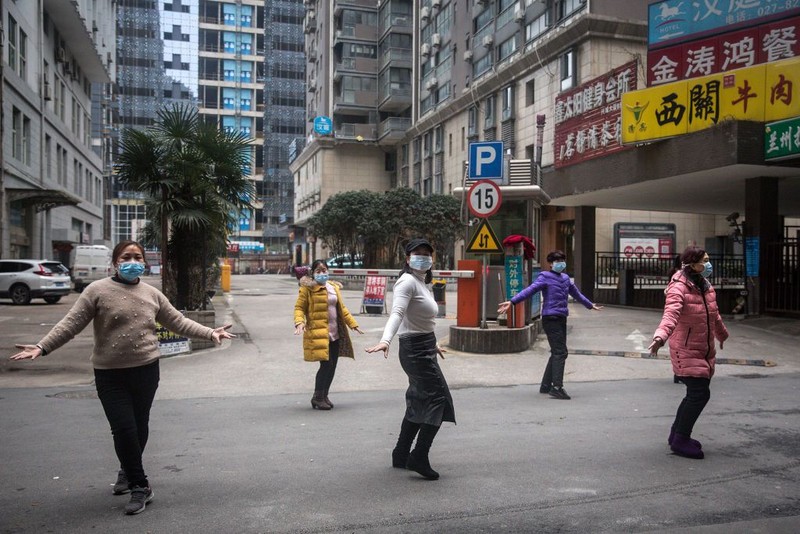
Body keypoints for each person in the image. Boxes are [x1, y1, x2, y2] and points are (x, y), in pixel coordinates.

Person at [9, 240, 235, 515]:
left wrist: (210, 333)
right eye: (126, 256)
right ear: (115, 262)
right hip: (109, 375)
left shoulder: (152, 293)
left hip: (146, 370)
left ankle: (127, 471)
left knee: (139, 427)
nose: (132, 260)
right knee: (124, 428)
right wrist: (42, 346)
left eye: (137, 256)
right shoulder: (97, 291)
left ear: (144, 261)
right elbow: (71, 324)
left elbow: (178, 321)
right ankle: (141, 486)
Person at [365, 238, 455, 480]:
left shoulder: (422, 282)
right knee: (438, 399)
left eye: (427, 253)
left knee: (418, 399)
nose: (423, 257)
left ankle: (401, 453)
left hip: (423, 346)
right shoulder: (406, 282)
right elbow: (397, 314)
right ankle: (419, 455)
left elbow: (419, 319)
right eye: (418, 253)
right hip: (414, 350)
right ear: (407, 258)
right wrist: (386, 340)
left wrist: (433, 343)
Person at [648, 246, 729, 460]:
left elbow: (714, 315)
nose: (709, 264)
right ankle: (681, 440)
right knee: (699, 394)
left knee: (695, 394)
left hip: (703, 349)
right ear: (692, 264)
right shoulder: (678, 288)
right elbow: (670, 315)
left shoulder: (705, 286)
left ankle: (677, 434)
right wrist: (659, 337)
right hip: (686, 349)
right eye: (705, 260)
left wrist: (722, 334)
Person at [497, 249, 603, 400]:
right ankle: (557, 387)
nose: (560, 264)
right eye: (557, 261)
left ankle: (546, 386)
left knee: (557, 351)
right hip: (550, 318)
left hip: (561, 318)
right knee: (561, 352)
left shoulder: (566, 278)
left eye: (562, 261)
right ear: (551, 264)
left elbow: (576, 294)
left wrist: (589, 305)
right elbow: (530, 290)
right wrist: (512, 302)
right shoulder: (545, 277)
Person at [294, 259, 363, 410]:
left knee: (333, 365)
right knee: (326, 365)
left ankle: (324, 395)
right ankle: (317, 397)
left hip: (335, 332)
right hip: (319, 333)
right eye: (318, 271)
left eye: (324, 270)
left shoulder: (333, 287)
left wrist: (353, 324)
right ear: (312, 273)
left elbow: (342, 309)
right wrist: (299, 322)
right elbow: (299, 308)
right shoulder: (307, 289)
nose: (322, 273)